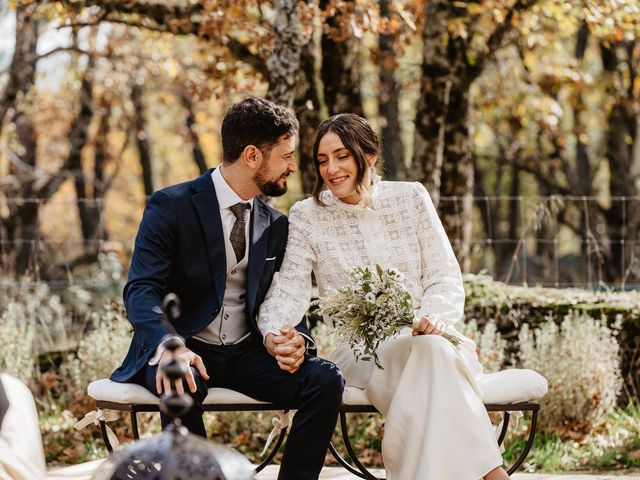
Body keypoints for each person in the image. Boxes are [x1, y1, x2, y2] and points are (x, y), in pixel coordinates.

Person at [258, 113, 510, 480]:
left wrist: (434, 316)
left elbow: (443, 276)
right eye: (323, 160)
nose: (331, 169)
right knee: (434, 357)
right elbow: (289, 287)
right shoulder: (308, 214)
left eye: (342, 156)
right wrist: (275, 330)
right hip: (361, 352)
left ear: (370, 155)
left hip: (426, 336)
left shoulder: (411, 198)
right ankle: (492, 474)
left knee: (433, 349)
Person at [111, 97, 344, 480]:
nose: (292, 166)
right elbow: (140, 291)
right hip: (184, 348)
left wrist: (295, 338)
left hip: (246, 353)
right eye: (286, 156)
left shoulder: (276, 224)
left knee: (325, 379)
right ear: (253, 155)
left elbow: (284, 296)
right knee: (176, 376)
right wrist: (169, 345)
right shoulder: (171, 206)